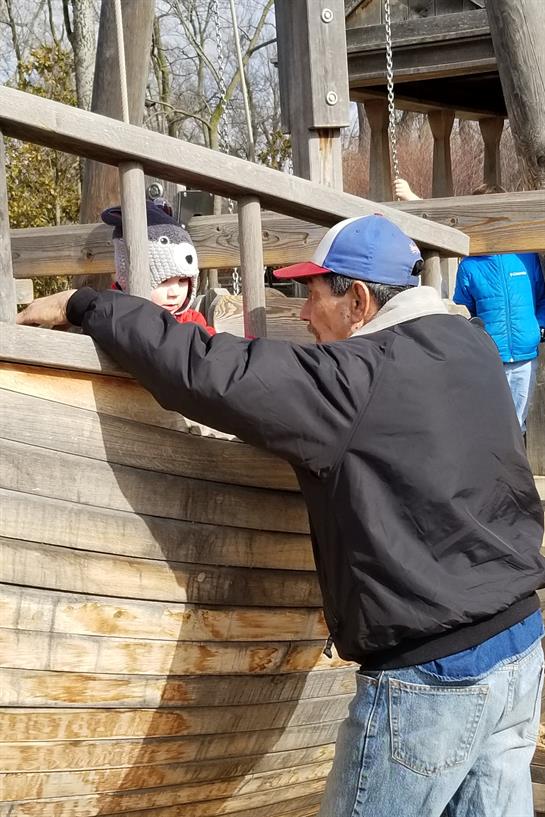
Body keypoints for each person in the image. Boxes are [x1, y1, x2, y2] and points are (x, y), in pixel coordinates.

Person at [17, 214, 545, 817]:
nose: (301, 312)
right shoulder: (470, 344)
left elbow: (210, 369)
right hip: (520, 646)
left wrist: (88, 305)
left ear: (360, 299)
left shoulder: (353, 380)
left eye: (313, 292)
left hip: (430, 678)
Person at [395, 179, 545, 433]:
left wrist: (539, 327)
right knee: (491, 424)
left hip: (524, 356)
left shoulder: (525, 255)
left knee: (517, 426)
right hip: (491, 358)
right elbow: (465, 310)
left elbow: (540, 296)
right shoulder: (470, 265)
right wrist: (411, 198)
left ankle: (510, 472)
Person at [103, 200, 215, 333]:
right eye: (163, 281)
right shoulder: (115, 317)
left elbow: (211, 348)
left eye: (183, 280)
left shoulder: (192, 322)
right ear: (127, 280)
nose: (174, 293)